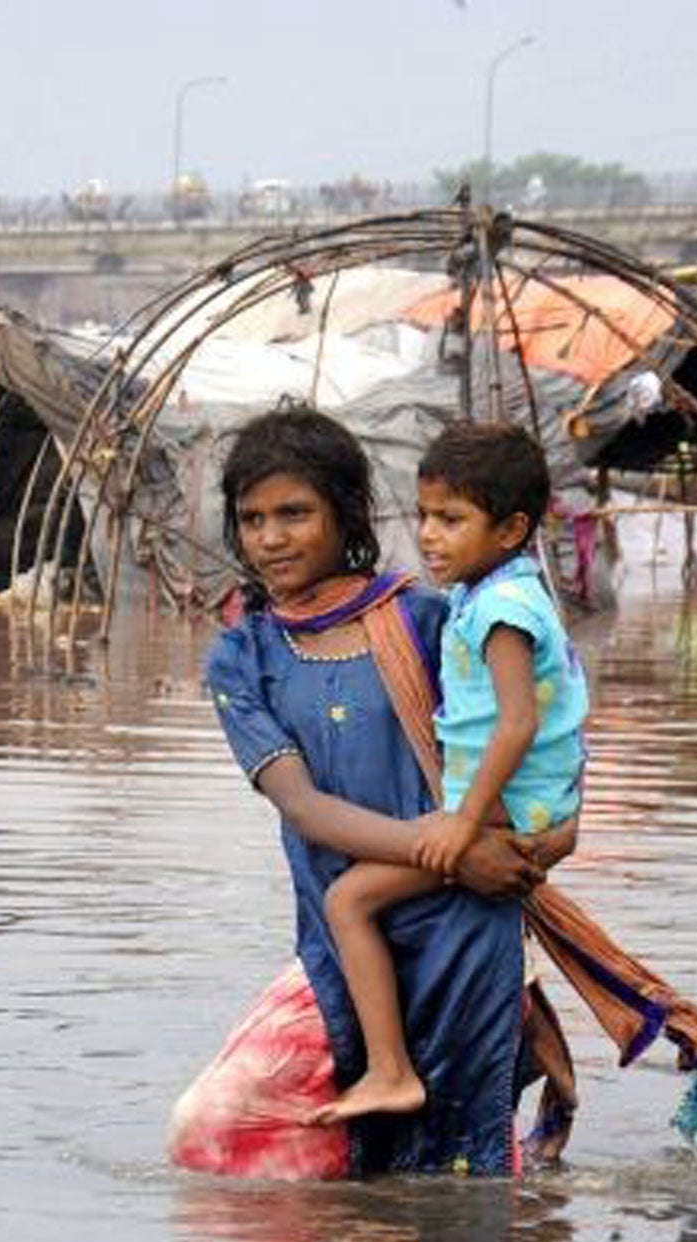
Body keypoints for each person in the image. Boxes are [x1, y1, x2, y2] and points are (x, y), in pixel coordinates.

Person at [179, 406, 565, 1178]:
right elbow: (303, 806)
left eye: (295, 513)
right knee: (212, 1127)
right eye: (252, 518)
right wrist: (458, 851)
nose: (271, 538)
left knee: (459, 1172)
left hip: (462, 928)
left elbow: (530, 730)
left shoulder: (428, 619)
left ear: (345, 513)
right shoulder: (244, 656)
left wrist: (515, 844)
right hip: (343, 928)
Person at [311, 422, 587, 1126]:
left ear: (511, 527)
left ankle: (389, 1070)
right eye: (425, 516)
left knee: (348, 899)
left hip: (501, 815)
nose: (430, 534)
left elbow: (518, 721)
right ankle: (547, 1062)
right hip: (517, 809)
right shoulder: (494, 590)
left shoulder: (501, 609)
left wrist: (466, 821)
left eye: (452, 519)